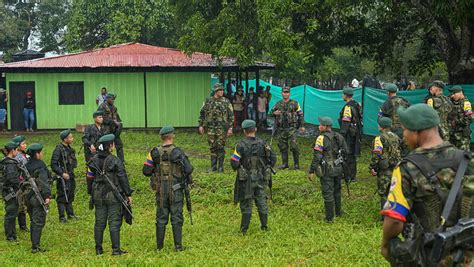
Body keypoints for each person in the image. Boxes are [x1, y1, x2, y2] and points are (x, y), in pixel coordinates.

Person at [380, 103, 473, 266]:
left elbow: (395, 220)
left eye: (405, 130)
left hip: (430, 255)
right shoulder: (468, 160)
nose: (404, 135)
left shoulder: (406, 169)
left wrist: (385, 246)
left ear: (417, 132)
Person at [142, 126, 194, 251]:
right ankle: (178, 247)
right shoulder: (178, 152)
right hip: (176, 189)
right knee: (176, 217)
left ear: (161, 137)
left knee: (161, 218)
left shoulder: (153, 152)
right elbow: (188, 169)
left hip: (160, 190)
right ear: (172, 136)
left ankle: (159, 247)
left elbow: (146, 171)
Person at [87, 134, 133, 255]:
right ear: (110, 146)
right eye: (112, 144)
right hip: (113, 195)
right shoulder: (115, 160)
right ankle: (116, 250)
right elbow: (123, 178)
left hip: (97, 194)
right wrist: (128, 194)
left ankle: (98, 249)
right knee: (114, 222)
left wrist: (90, 192)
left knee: (99, 222)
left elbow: (89, 177)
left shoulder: (93, 161)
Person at [230, 120, 276, 234]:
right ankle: (264, 226)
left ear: (244, 131)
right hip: (261, 177)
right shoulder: (264, 143)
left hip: (246, 179)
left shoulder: (240, 145)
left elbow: (234, 162)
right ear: (255, 129)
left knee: (246, 202)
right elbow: (273, 159)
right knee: (261, 201)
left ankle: (244, 230)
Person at [308, 117, 347, 223]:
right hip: (338, 168)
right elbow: (346, 151)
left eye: (320, 124)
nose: (318, 126)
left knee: (328, 193)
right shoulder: (338, 136)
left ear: (325, 127)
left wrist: (311, 171)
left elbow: (317, 156)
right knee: (337, 191)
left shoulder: (321, 138)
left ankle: (329, 218)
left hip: (327, 170)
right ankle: (338, 212)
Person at [198, 83, 234, 173]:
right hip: (210, 128)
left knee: (221, 147)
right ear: (215, 91)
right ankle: (213, 166)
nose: (222, 92)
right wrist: (201, 125)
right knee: (212, 147)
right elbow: (202, 113)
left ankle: (221, 167)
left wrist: (230, 128)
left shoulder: (226, 101)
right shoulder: (208, 101)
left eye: (222, 90)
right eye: (220, 90)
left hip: (222, 128)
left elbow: (231, 115)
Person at [368, 117, 401, 213]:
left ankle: (384, 216)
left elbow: (377, 154)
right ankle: (394, 212)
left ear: (381, 127)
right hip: (395, 168)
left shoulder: (379, 138)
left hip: (384, 170)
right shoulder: (396, 137)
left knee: (383, 192)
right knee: (393, 191)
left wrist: (372, 167)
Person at [24, 143, 51, 253]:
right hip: (37, 196)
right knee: (38, 221)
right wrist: (47, 196)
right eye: (41, 152)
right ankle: (35, 246)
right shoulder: (40, 165)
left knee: (33, 220)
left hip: (27, 196)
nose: (42, 154)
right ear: (37, 154)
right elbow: (44, 182)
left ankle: (34, 243)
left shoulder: (26, 165)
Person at [271, 86, 305, 170]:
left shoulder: (295, 103)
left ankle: (296, 164)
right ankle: (285, 164)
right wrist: (274, 113)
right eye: (284, 92)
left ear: (289, 93)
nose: (285, 94)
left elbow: (300, 114)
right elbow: (271, 112)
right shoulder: (278, 104)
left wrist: (302, 125)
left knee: (294, 146)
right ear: (281, 93)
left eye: (287, 92)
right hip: (281, 128)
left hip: (291, 128)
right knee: (282, 146)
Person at [50, 129, 78, 223]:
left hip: (71, 175)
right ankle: (62, 217)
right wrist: (62, 173)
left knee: (70, 194)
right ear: (65, 139)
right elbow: (53, 164)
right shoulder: (58, 149)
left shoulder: (69, 149)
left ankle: (70, 214)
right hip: (63, 177)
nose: (72, 138)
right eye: (70, 137)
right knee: (62, 196)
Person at [378, 83, 410, 156]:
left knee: (393, 152)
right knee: (404, 152)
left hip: (392, 131)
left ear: (388, 92)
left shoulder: (386, 103)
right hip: (405, 130)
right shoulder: (404, 102)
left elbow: (380, 118)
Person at [338, 87, 362, 182]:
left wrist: (342, 135)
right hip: (356, 132)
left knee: (348, 154)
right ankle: (349, 174)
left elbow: (346, 122)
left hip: (349, 134)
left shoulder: (348, 107)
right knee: (350, 153)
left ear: (345, 95)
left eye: (343, 94)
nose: (342, 96)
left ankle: (351, 176)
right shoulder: (356, 104)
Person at [1, 141, 21, 241]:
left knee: (13, 213)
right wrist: (20, 184)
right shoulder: (10, 164)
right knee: (11, 213)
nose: (17, 152)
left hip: (8, 191)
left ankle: (12, 234)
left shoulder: (5, 162)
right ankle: (10, 236)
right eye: (17, 150)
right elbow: (12, 179)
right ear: (12, 150)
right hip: (11, 192)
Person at [82, 111, 105, 194]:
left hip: (101, 152)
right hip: (91, 153)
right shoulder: (89, 127)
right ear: (95, 118)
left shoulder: (103, 128)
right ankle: (90, 187)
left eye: (102, 117)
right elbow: (84, 138)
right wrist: (90, 144)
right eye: (99, 117)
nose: (101, 119)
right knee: (91, 168)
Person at [98, 93, 124, 163]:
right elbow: (103, 119)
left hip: (114, 129)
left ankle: (121, 160)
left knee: (119, 144)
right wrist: (114, 122)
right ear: (108, 99)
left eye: (114, 99)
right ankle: (105, 160)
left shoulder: (114, 108)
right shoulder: (102, 107)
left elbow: (117, 118)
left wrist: (120, 124)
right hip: (106, 129)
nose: (113, 101)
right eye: (112, 99)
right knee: (106, 145)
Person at [12, 135, 29, 232]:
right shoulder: (17, 157)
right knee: (19, 204)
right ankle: (18, 226)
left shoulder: (23, 155)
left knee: (23, 204)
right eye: (23, 144)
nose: (25, 145)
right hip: (19, 183)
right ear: (18, 146)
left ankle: (23, 225)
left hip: (24, 182)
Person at [448, 85, 473, 151]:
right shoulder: (454, 103)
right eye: (452, 94)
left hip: (462, 136)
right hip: (454, 134)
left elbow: (468, 119)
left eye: (454, 93)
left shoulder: (466, 103)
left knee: (464, 155)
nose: (452, 95)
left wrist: (456, 121)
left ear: (460, 93)